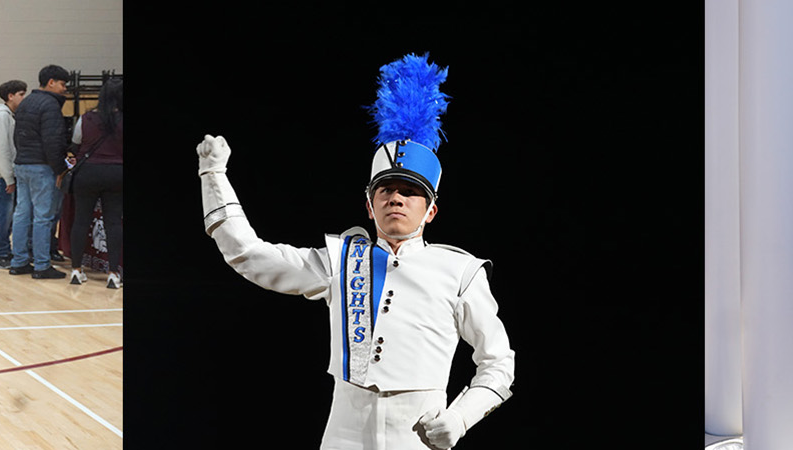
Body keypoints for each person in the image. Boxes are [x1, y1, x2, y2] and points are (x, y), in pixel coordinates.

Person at [195, 54, 514, 449]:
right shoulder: (341, 259)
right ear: (369, 205)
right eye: (386, 189)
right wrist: (213, 175)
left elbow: (499, 362)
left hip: (419, 441)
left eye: (411, 192)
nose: (396, 197)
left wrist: (462, 417)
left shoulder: (461, 272)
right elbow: (247, 254)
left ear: (431, 210)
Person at [8, 64, 72, 279]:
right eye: (62, 84)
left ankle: (19, 261)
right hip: (41, 166)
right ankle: (42, 265)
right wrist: (61, 169)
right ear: (51, 82)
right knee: (43, 217)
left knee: (21, 214)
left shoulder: (26, 103)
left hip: (22, 164)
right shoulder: (50, 105)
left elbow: (17, 136)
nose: (64, 89)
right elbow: (52, 142)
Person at [66, 79, 122, 288]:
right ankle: (113, 273)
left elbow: (76, 143)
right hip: (117, 173)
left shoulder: (86, 118)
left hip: (88, 173)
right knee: (114, 222)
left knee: (81, 220)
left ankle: (76, 270)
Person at [0, 80, 26, 269]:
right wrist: (9, 178)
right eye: (21, 94)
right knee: (3, 215)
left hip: (4, 174)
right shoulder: (2, 117)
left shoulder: (9, 116)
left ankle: (4, 250)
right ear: (10, 96)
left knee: (6, 215)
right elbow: (1, 150)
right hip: (0, 176)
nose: (23, 98)